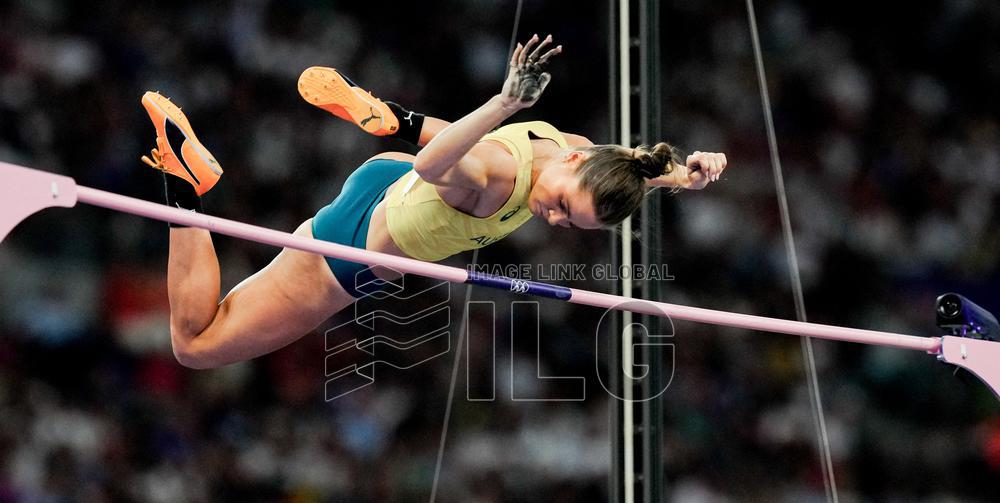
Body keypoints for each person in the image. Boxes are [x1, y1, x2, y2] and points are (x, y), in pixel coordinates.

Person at [140, 34, 727, 369]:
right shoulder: (497, 178)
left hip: (385, 187)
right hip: (352, 250)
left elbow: (630, 167)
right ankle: (186, 189)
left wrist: (681, 177)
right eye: (560, 207)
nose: (553, 218)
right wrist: (503, 105)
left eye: (571, 222)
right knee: (196, 345)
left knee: (442, 165)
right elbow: (434, 164)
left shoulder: (574, 153)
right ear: (575, 165)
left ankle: (391, 116)